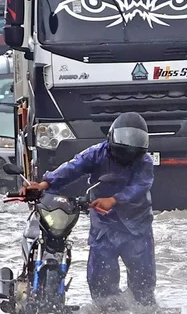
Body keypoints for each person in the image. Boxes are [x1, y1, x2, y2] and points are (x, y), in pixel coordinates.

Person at [23, 112, 156, 308]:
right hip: (104, 224)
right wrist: (45, 184)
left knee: (143, 283)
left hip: (136, 225)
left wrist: (114, 200)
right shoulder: (97, 153)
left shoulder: (144, 161)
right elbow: (73, 168)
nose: (128, 150)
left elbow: (140, 186)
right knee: (101, 281)